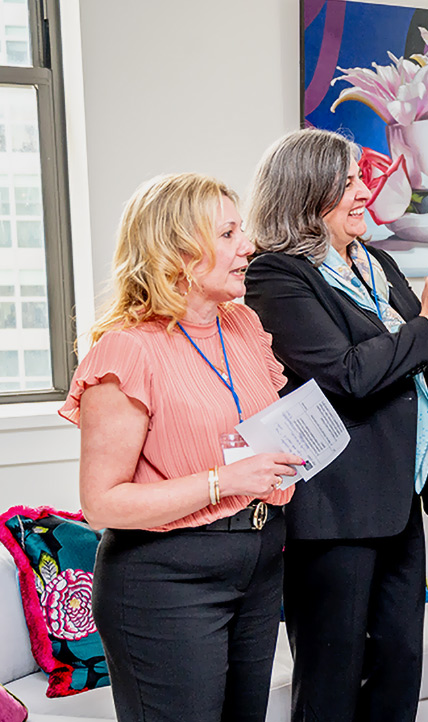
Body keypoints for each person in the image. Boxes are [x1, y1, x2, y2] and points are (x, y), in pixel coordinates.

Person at [242, 128, 428, 722]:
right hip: (335, 511)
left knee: (399, 669)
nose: (365, 192)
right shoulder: (276, 276)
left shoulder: (375, 261)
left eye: (360, 179)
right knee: (332, 684)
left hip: (399, 498)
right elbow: (348, 374)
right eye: (347, 184)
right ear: (305, 194)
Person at [60, 173, 303, 721]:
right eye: (228, 234)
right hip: (167, 581)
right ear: (178, 253)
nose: (248, 246)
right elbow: (102, 504)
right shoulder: (127, 351)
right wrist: (223, 481)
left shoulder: (242, 325)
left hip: (260, 561)